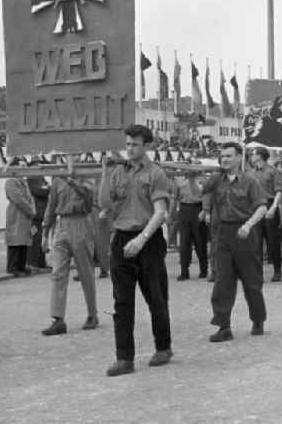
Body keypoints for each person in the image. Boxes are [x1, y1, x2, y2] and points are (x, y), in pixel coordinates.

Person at [99, 124, 173, 376]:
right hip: (121, 239)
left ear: (147, 146)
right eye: (127, 144)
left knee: (156, 298)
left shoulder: (156, 174)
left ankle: (163, 347)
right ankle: (124, 358)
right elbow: (104, 203)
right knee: (122, 302)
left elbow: (160, 212)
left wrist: (141, 239)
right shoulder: (118, 172)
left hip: (148, 240)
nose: (129, 149)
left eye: (135, 144)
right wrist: (105, 173)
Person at [202, 141, 268, 343]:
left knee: (251, 281)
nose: (224, 159)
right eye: (222, 156)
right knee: (222, 281)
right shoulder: (216, 180)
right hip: (223, 233)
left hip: (244, 232)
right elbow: (202, 189)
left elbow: (262, 208)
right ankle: (223, 326)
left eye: (229, 156)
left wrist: (248, 225)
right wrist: (206, 207)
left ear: (239, 158)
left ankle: (258, 320)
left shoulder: (250, 181)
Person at [40, 175, 98, 336]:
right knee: (57, 273)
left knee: (86, 273)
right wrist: (45, 233)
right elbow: (51, 206)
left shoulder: (86, 176)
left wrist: (73, 182)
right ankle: (58, 319)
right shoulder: (57, 179)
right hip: (62, 225)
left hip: (81, 223)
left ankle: (92, 314)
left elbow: (89, 199)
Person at [253, 147, 282, 282]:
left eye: (253, 154)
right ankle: (257, 272)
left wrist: (273, 207)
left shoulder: (273, 171)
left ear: (260, 156)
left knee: (273, 241)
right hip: (255, 208)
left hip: (269, 205)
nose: (251, 156)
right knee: (256, 242)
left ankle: (277, 271)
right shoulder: (252, 172)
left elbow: (279, 191)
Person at [173, 173, 208, 281]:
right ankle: (184, 271)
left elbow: (204, 196)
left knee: (200, 242)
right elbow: (175, 198)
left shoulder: (203, 180)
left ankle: (203, 270)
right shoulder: (179, 181)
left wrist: (205, 212)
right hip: (184, 209)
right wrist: (171, 214)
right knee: (184, 242)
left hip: (198, 208)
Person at [5, 175, 36, 277]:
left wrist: (32, 209)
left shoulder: (23, 181)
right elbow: (18, 199)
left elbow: (30, 197)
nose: (23, 167)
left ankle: (21, 266)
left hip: (26, 215)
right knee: (15, 241)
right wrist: (30, 210)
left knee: (24, 241)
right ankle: (12, 267)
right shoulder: (11, 181)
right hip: (17, 213)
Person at [27, 166, 51, 271]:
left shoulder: (41, 177)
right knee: (35, 239)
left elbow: (47, 189)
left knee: (42, 239)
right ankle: (33, 262)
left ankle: (41, 262)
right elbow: (39, 191)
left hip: (43, 213)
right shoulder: (31, 178)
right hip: (35, 215)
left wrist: (46, 189)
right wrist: (45, 189)